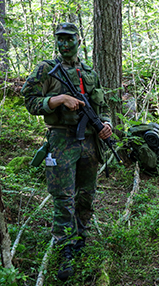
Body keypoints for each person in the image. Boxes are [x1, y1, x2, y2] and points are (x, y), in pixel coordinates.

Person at [21, 23, 112, 281]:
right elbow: (29, 101)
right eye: (59, 40)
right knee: (63, 198)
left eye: (68, 39)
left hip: (89, 142)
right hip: (61, 140)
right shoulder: (46, 70)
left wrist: (106, 125)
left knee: (86, 195)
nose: (64, 44)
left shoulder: (89, 72)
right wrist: (58, 100)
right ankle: (65, 249)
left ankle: (82, 238)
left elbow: (101, 107)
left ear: (78, 41)